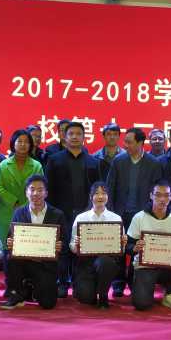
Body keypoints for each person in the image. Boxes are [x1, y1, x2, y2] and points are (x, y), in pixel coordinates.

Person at [46, 121, 103, 297]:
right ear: (64, 137)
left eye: (79, 134)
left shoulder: (93, 161)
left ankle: (79, 283)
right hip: (61, 211)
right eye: (71, 134)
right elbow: (49, 188)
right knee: (62, 249)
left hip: (85, 213)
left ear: (84, 137)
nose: (75, 137)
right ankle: (62, 283)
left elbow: (98, 189)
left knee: (82, 248)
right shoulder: (54, 160)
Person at [106, 127, 162, 297]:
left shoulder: (154, 163)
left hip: (143, 214)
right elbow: (110, 187)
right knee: (120, 248)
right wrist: (110, 212)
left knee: (137, 248)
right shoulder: (118, 161)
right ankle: (118, 283)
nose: (125, 145)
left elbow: (157, 191)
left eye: (129, 142)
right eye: (125, 142)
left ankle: (133, 280)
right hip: (121, 212)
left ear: (140, 143)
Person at [0, 175, 69, 310]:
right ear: (26, 192)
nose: (36, 193)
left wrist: (60, 246)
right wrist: (10, 242)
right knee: (9, 257)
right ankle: (16, 293)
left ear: (46, 193)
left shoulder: (57, 214)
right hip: (24, 262)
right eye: (32, 189)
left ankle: (30, 289)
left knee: (48, 304)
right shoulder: (19, 213)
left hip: (46, 264)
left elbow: (65, 243)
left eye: (40, 190)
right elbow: (10, 238)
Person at [128, 180, 171, 311]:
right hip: (145, 266)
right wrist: (134, 247)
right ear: (151, 195)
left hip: (170, 266)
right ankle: (145, 290)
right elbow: (127, 245)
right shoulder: (139, 217)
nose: (162, 199)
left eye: (166, 195)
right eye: (158, 195)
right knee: (141, 304)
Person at [69, 181, 126, 309]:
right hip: (86, 262)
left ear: (108, 197)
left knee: (105, 262)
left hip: (106, 261)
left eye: (104, 193)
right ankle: (92, 289)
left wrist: (122, 244)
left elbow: (120, 250)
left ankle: (103, 295)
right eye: (96, 193)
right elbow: (72, 246)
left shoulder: (116, 218)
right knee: (85, 298)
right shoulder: (81, 218)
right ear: (91, 197)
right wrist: (76, 245)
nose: (100, 196)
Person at [0, 129, 44, 246]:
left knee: (27, 246)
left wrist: (26, 205)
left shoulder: (36, 165)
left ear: (30, 145)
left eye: (26, 142)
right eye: (19, 141)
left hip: (31, 210)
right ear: (13, 143)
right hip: (7, 211)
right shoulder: (4, 165)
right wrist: (14, 202)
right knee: (6, 246)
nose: (23, 144)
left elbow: (41, 187)